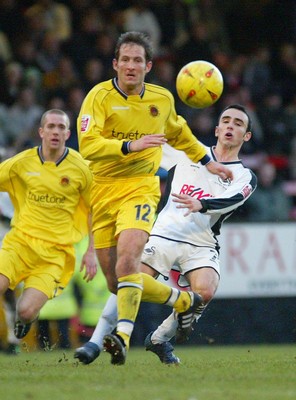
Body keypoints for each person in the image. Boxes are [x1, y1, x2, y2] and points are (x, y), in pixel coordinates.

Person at [76, 30, 233, 366]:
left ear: (148, 66)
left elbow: (179, 132)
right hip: (103, 189)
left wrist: (210, 163)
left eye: (138, 61)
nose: (131, 66)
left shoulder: (161, 99)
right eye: (125, 60)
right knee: (117, 282)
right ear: (115, 64)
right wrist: (131, 144)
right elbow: (88, 145)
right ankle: (181, 301)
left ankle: (122, 335)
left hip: (141, 186)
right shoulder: (98, 97)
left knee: (129, 259)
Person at [75, 104, 257, 365]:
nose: (230, 126)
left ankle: (159, 339)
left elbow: (235, 198)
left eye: (238, 123)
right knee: (130, 278)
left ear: (246, 136)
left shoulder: (244, 175)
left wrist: (202, 204)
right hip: (164, 234)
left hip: (202, 242)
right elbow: (151, 146)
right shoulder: (189, 152)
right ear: (216, 129)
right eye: (226, 121)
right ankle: (95, 342)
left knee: (204, 291)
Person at [0, 109, 97, 341]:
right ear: (41, 132)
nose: (55, 131)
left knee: (26, 311)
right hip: (19, 244)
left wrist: (91, 251)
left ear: (68, 133)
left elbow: (95, 209)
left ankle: (22, 319)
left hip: (54, 255)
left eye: (61, 127)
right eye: (51, 127)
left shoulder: (81, 168)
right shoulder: (21, 163)